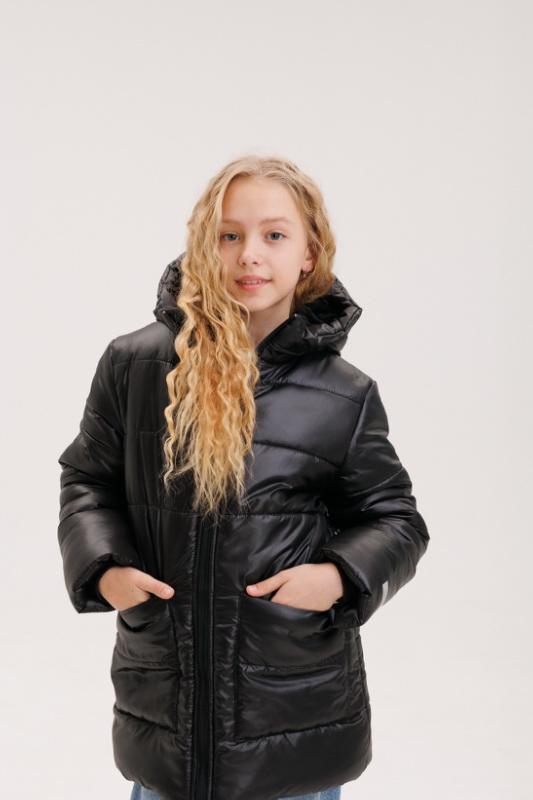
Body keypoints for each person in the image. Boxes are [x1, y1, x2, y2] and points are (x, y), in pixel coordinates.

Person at [57, 155, 429, 800]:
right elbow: (87, 480)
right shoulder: (134, 365)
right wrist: (105, 569)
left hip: (295, 719)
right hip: (167, 714)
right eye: (229, 235)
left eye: (274, 235)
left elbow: (396, 518)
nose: (249, 254)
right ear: (205, 245)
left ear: (309, 253)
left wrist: (338, 576)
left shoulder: (344, 394)